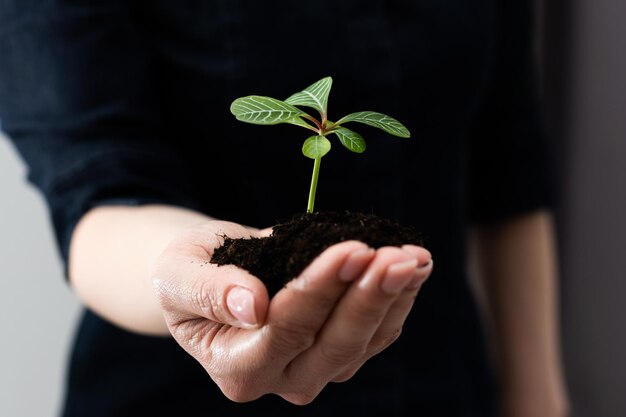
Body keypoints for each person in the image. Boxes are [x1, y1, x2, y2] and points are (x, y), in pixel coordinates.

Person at [0, 1, 569, 416]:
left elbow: (509, 166)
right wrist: (197, 278)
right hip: (172, 392)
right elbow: (97, 189)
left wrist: (538, 394)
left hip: (441, 383)